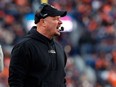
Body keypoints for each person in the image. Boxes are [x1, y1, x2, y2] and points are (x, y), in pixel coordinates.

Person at [8, 3, 67, 87]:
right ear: (43, 22)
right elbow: (15, 82)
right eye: (55, 19)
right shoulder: (24, 47)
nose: (60, 22)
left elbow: (62, 81)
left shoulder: (60, 48)